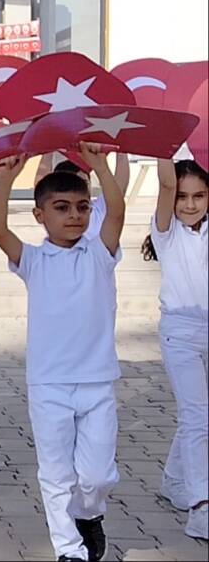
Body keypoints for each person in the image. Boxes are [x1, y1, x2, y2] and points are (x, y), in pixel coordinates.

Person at [0, 143, 125, 562]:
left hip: (98, 382)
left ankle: (89, 514)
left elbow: (116, 212)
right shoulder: (33, 260)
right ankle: (69, 549)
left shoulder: (99, 253)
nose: (74, 216)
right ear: (39, 215)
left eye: (82, 207)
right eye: (61, 208)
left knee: (97, 475)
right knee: (57, 472)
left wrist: (99, 165)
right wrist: (9, 174)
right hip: (49, 385)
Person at [142, 158, 208, 540]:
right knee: (198, 418)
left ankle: (173, 479)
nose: (190, 204)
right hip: (180, 333)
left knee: (199, 415)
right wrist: (162, 146)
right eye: (183, 196)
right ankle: (201, 507)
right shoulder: (167, 232)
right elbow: (167, 184)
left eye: (199, 195)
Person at [33, 152, 130, 238]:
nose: (75, 216)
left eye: (85, 183)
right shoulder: (52, 212)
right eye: (62, 208)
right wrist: (48, 151)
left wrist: (121, 150)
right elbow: (41, 187)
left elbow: (119, 188)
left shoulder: (99, 208)